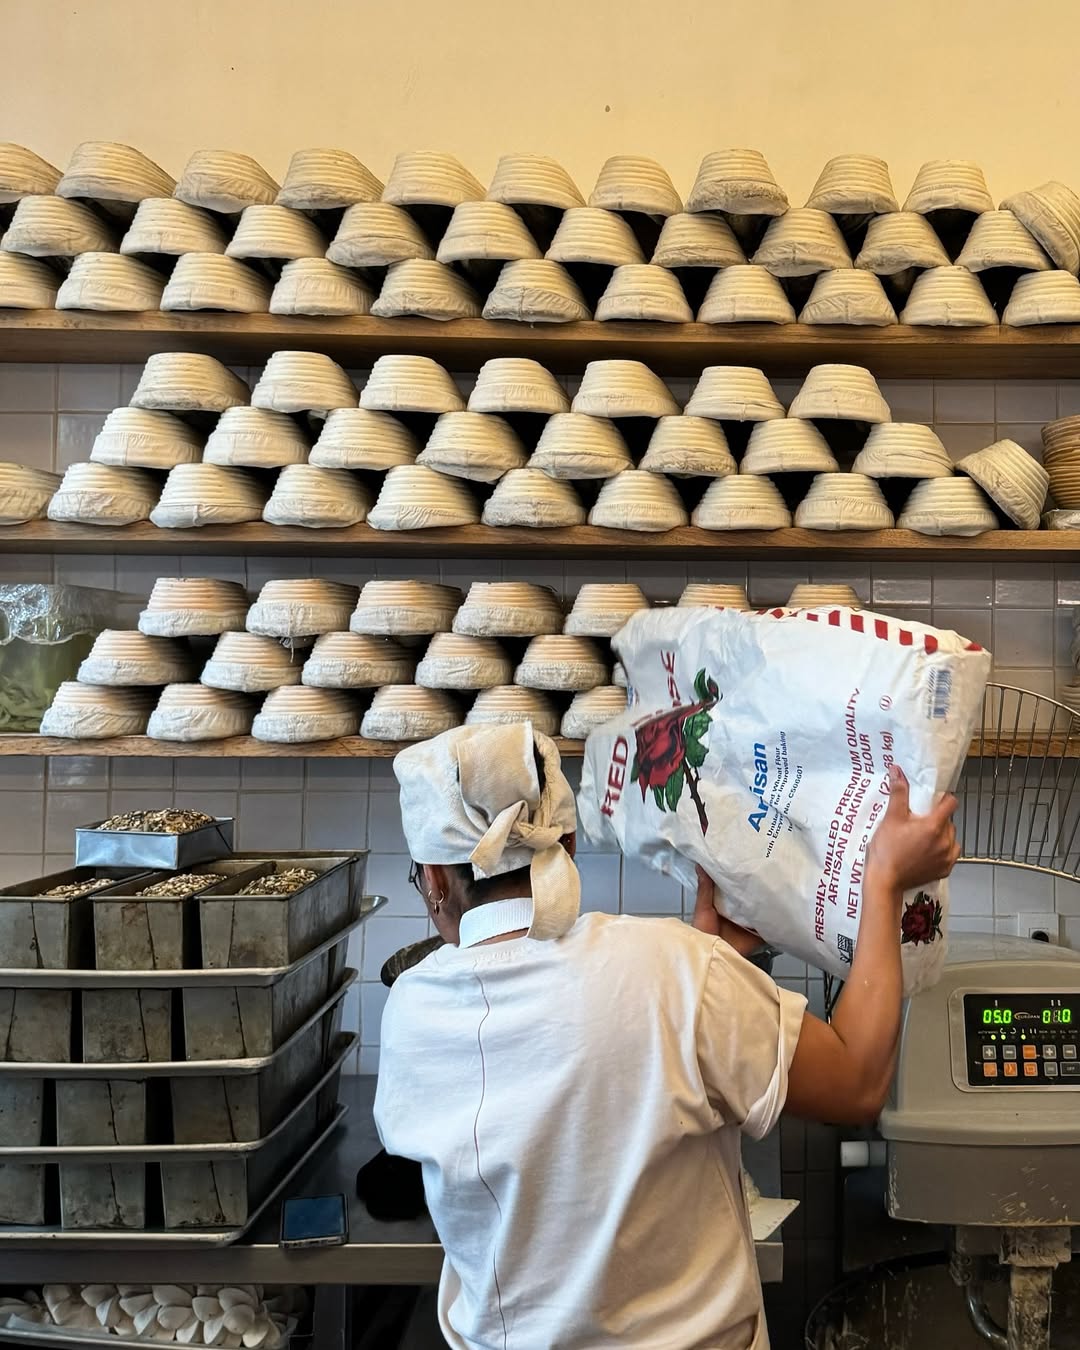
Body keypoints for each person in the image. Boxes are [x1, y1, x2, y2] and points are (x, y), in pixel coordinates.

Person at [374, 721, 959, 1350]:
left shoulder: (410, 1008)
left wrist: (711, 967)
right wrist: (883, 882)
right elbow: (857, 1082)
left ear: (434, 880)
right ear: (567, 843)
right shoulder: (673, 971)